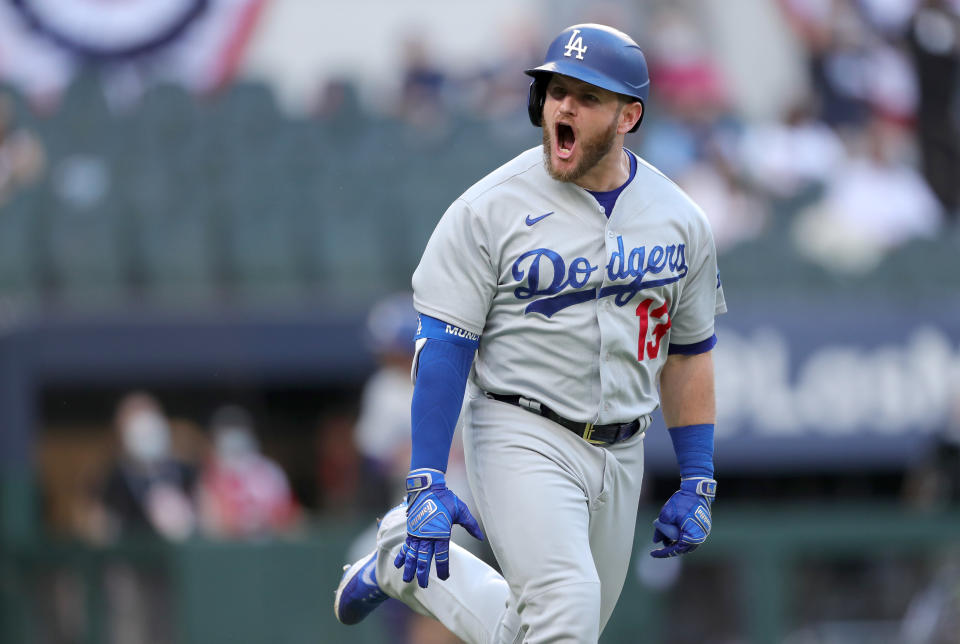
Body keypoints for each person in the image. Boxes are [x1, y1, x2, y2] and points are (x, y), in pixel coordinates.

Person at [334, 23, 726, 643]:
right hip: (522, 429)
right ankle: (403, 541)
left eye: (587, 96)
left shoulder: (680, 219)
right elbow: (444, 349)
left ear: (629, 116)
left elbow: (688, 352)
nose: (563, 106)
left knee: (543, 628)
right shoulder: (487, 209)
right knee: (566, 609)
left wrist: (698, 476)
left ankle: (399, 562)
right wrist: (426, 478)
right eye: (554, 90)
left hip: (624, 447)